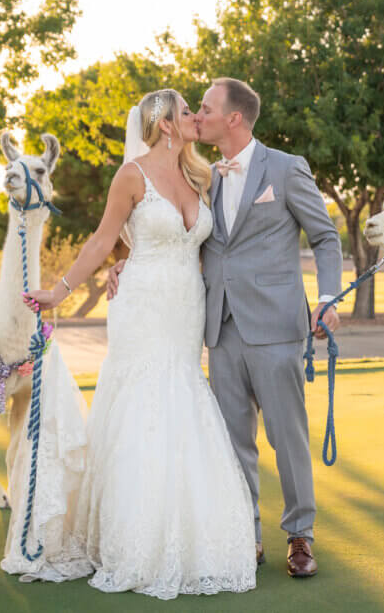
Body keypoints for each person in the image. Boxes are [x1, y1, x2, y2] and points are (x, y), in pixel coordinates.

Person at [8, 89, 257, 600]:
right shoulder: (131, 175)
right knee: (144, 406)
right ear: (164, 123)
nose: (195, 119)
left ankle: (191, 537)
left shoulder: (202, 175)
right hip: (141, 306)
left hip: (187, 309)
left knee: (182, 399)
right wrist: (59, 290)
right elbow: (103, 240)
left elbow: (215, 245)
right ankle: (134, 541)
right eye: (187, 112)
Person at [109, 78, 343, 577]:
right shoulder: (202, 176)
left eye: (207, 109)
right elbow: (177, 235)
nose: (200, 116)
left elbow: (324, 237)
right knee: (233, 440)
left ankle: (300, 536)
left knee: (288, 438)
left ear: (233, 119)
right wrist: (129, 262)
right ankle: (246, 536)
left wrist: (326, 300)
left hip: (277, 327)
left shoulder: (285, 168)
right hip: (219, 328)